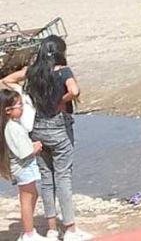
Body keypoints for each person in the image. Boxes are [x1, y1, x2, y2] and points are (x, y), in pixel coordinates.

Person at [25, 38, 91, 241]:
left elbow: (7, 80)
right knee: (63, 178)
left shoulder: (33, 72)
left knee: (46, 178)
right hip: (58, 127)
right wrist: (60, 101)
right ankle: (70, 229)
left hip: (37, 128)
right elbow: (74, 91)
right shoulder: (63, 71)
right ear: (60, 52)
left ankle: (52, 229)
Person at [1, 89, 48, 241]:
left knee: (32, 195)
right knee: (27, 199)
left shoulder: (13, 125)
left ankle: (28, 230)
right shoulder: (12, 128)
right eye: (19, 105)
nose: (22, 108)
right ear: (8, 110)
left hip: (25, 167)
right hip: (23, 168)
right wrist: (36, 147)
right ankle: (29, 233)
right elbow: (24, 152)